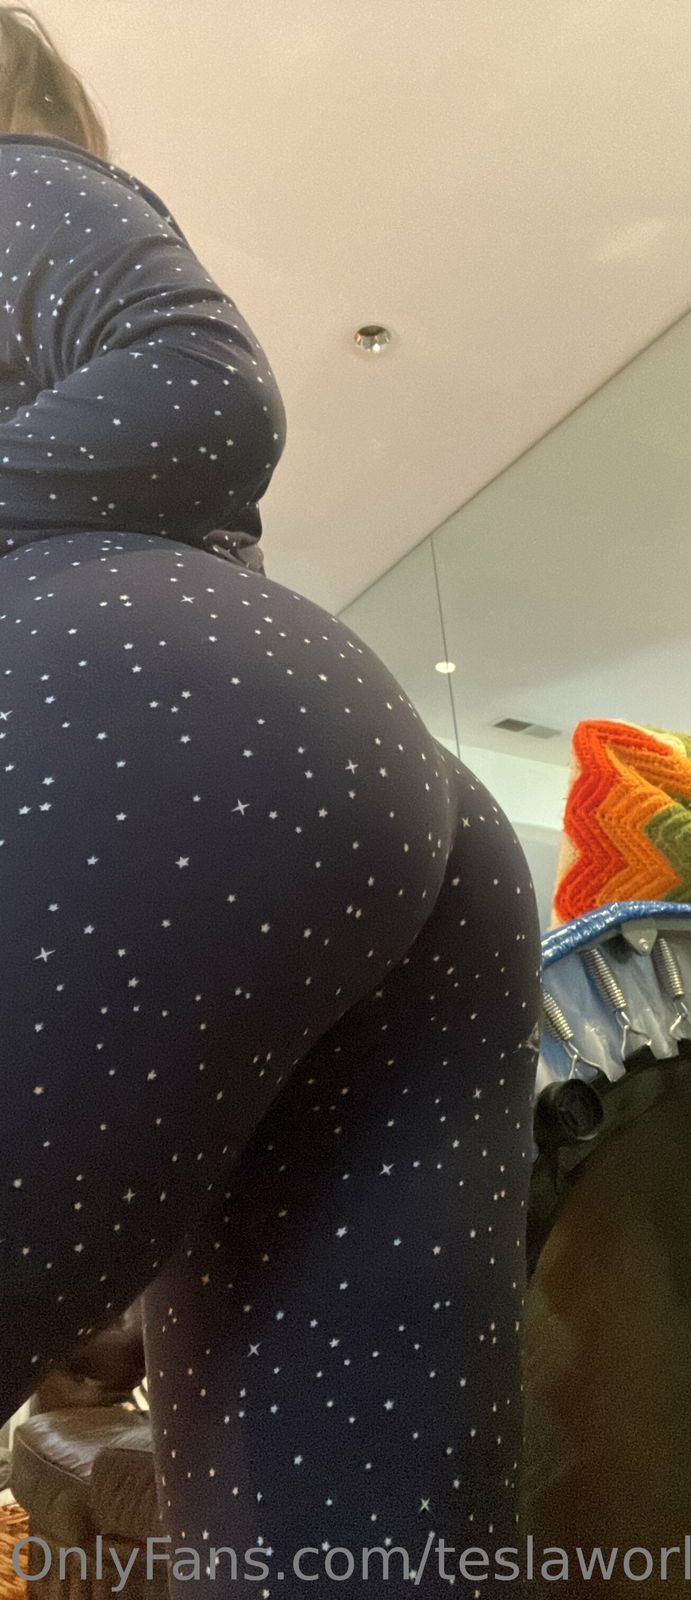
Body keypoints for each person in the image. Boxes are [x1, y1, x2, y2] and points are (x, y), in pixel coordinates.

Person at [0, 7, 540, 1592]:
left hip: (141, 739)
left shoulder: (17, 181)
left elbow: (200, 388)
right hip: (293, 774)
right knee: (351, 1549)